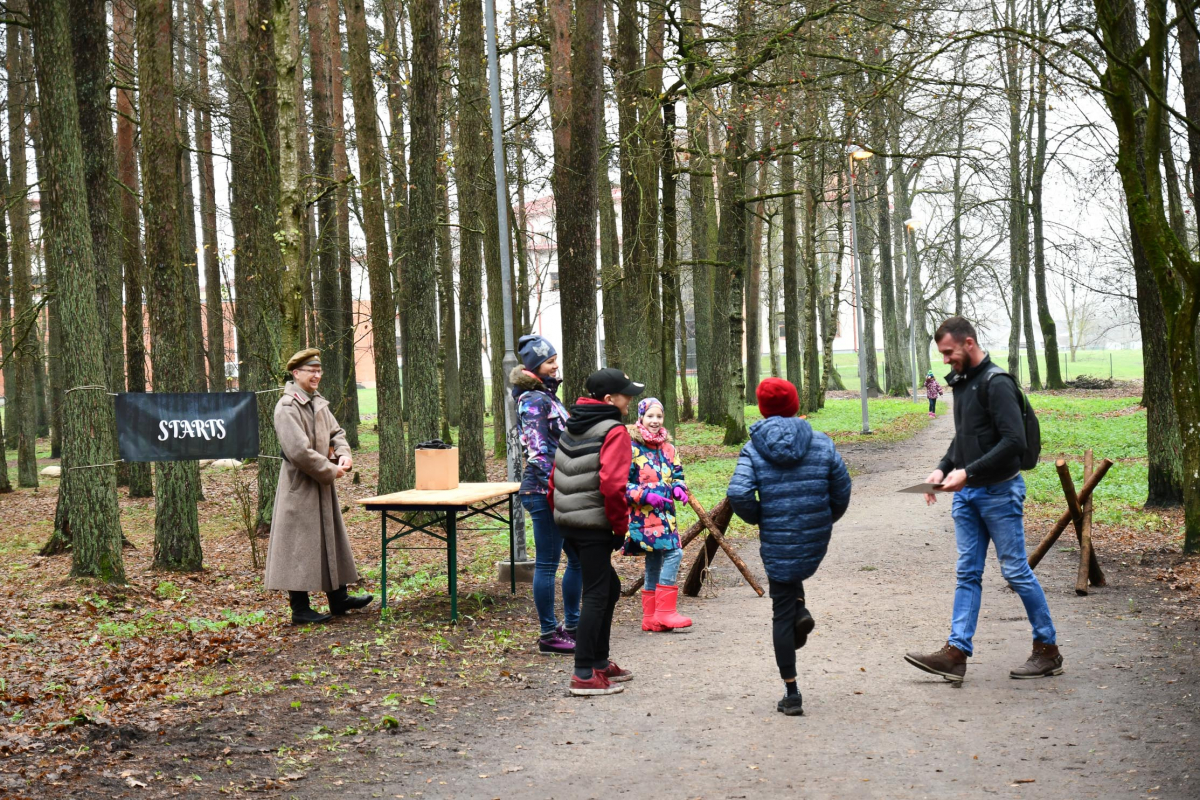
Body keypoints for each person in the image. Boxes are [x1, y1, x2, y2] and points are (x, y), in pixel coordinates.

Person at [906, 316, 1062, 682]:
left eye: (948, 352)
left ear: (969, 343)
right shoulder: (962, 383)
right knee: (967, 574)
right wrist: (943, 469)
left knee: (1016, 572)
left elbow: (1014, 442)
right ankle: (955, 654)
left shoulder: (997, 383)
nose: (945, 360)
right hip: (967, 497)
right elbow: (964, 437)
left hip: (999, 493)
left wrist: (967, 472)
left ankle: (1048, 649)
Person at [727, 378, 852, 717]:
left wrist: (760, 518)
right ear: (796, 404)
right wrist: (825, 519)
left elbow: (738, 493)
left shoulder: (754, 448)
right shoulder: (822, 443)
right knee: (791, 575)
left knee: (780, 605)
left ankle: (791, 692)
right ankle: (801, 610)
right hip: (813, 533)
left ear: (762, 408)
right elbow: (842, 488)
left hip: (776, 534)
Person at [550, 368, 643, 696]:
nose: (630, 400)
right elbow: (612, 485)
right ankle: (584, 673)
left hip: (568, 522)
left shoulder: (572, 424)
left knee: (609, 587)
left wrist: (559, 515)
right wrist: (620, 527)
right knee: (596, 592)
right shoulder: (614, 431)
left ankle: (600, 662)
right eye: (625, 394)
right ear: (608, 399)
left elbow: (555, 475)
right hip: (593, 523)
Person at [264, 348, 373, 625]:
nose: (317, 375)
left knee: (330, 537)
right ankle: (300, 609)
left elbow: (337, 433)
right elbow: (298, 451)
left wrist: (344, 452)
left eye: (319, 370)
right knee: (298, 545)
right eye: (311, 370)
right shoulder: (287, 407)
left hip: (322, 485)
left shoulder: (318, 403)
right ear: (295, 373)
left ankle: (338, 598)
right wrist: (330, 469)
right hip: (299, 486)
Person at [511, 334, 581, 655]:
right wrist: (556, 488)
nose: (556, 366)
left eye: (555, 360)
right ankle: (549, 634)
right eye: (551, 361)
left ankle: (574, 625)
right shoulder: (532, 401)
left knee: (578, 559)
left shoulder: (549, 397)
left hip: (564, 488)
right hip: (545, 491)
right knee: (548, 564)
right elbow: (539, 453)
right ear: (536, 366)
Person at [625, 397, 692, 632]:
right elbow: (621, 484)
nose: (655, 421)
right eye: (650, 416)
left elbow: (678, 475)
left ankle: (651, 617)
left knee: (655, 560)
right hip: (644, 518)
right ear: (641, 417)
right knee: (675, 552)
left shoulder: (668, 448)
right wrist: (644, 495)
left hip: (667, 517)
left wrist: (678, 488)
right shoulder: (632, 447)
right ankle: (666, 612)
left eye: (659, 416)